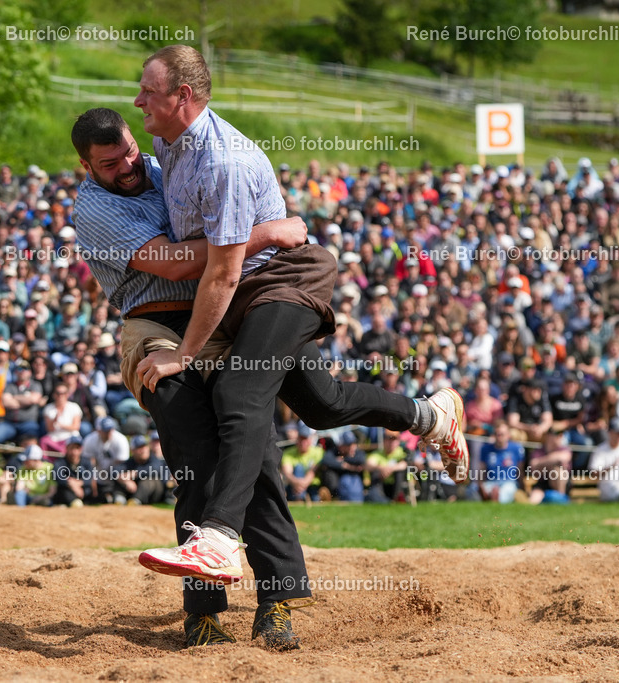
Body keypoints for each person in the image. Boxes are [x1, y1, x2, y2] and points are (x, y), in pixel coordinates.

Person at [70, 104, 465, 649]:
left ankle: (277, 603)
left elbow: (225, 224)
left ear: (138, 142)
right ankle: (203, 612)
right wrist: (267, 233)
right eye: (109, 164)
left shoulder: (167, 165)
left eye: (129, 154)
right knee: (197, 457)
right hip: (157, 327)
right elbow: (178, 264)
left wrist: (256, 235)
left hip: (229, 309)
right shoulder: (94, 209)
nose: (126, 168)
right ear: (86, 167)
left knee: (303, 418)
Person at [125, 48, 467, 589]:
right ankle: (431, 416)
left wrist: (183, 355)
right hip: (246, 292)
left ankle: (218, 538)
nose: (138, 99)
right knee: (322, 404)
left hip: (281, 282)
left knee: (239, 391)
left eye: (148, 90)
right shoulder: (167, 143)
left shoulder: (223, 161)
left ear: (182, 96)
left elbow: (222, 273)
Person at [479, 421, 524, 504]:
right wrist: (480, 484)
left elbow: (520, 470)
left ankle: (493, 497)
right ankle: (490, 495)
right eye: (497, 434)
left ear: (508, 435)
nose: (499, 437)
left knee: (506, 491)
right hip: (491, 481)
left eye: (502, 434)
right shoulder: (486, 449)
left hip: (509, 482)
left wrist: (522, 487)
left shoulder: (516, 448)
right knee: (474, 489)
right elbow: (482, 469)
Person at [52, 436, 101, 507]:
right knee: (63, 490)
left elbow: (90, 477)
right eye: (71, 448)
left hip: (83, 490)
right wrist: (71, 485)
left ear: (81, 449)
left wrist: (79, 483)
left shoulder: (86, 462)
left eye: (77, 448)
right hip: (67, 491)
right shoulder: (60, 462)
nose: (74, 452)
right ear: (67, 448)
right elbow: (58, 476)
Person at [280, 423, 324, 502]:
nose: (303, 442)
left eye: (305, 439)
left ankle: (300, 498)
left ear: (310, 440)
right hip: (293, 487)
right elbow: (287, 473)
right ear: (297, 439)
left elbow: (313, 472)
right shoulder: (288, 453)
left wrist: (302, 484)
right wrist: (297, 483)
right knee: (298, 468)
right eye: (301, 439)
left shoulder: (318, 452)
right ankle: (300, 498)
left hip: (312, 486)